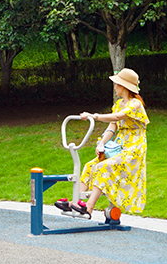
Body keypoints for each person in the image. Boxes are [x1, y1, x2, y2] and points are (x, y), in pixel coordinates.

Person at [55, 68, 149, 219]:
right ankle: (76, 202)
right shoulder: (118, 104)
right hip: (120, 145)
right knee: (90, 166)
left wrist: (94, 116)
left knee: (103, 167)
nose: (115, 86)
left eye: (117, 84)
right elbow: (112, 126)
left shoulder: (135, 104)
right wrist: (102, 143)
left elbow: (118, 117)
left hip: (133, 147)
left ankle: (89, 207)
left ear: (124, 86)